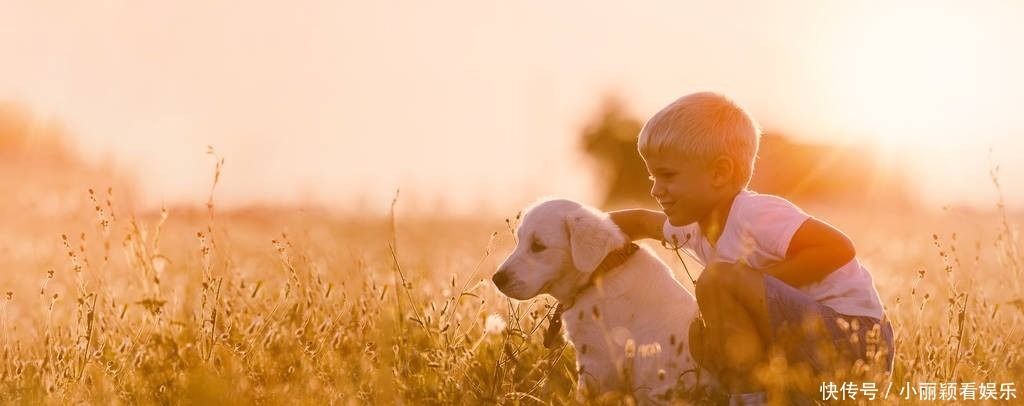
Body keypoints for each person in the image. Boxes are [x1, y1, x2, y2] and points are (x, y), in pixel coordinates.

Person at [608, 92, 894, 405]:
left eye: (667, 175)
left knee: (718, 282)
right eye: (652, 175)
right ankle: (764, 394)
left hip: (857, 343)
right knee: (700, 335)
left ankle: (749, 400)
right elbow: (638, 222)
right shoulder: (692, 227)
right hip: (807, 350)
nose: (654, 189)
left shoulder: (755, 214)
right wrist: (574, 231)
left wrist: (749, 281)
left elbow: (838, 247)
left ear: (719, 172)